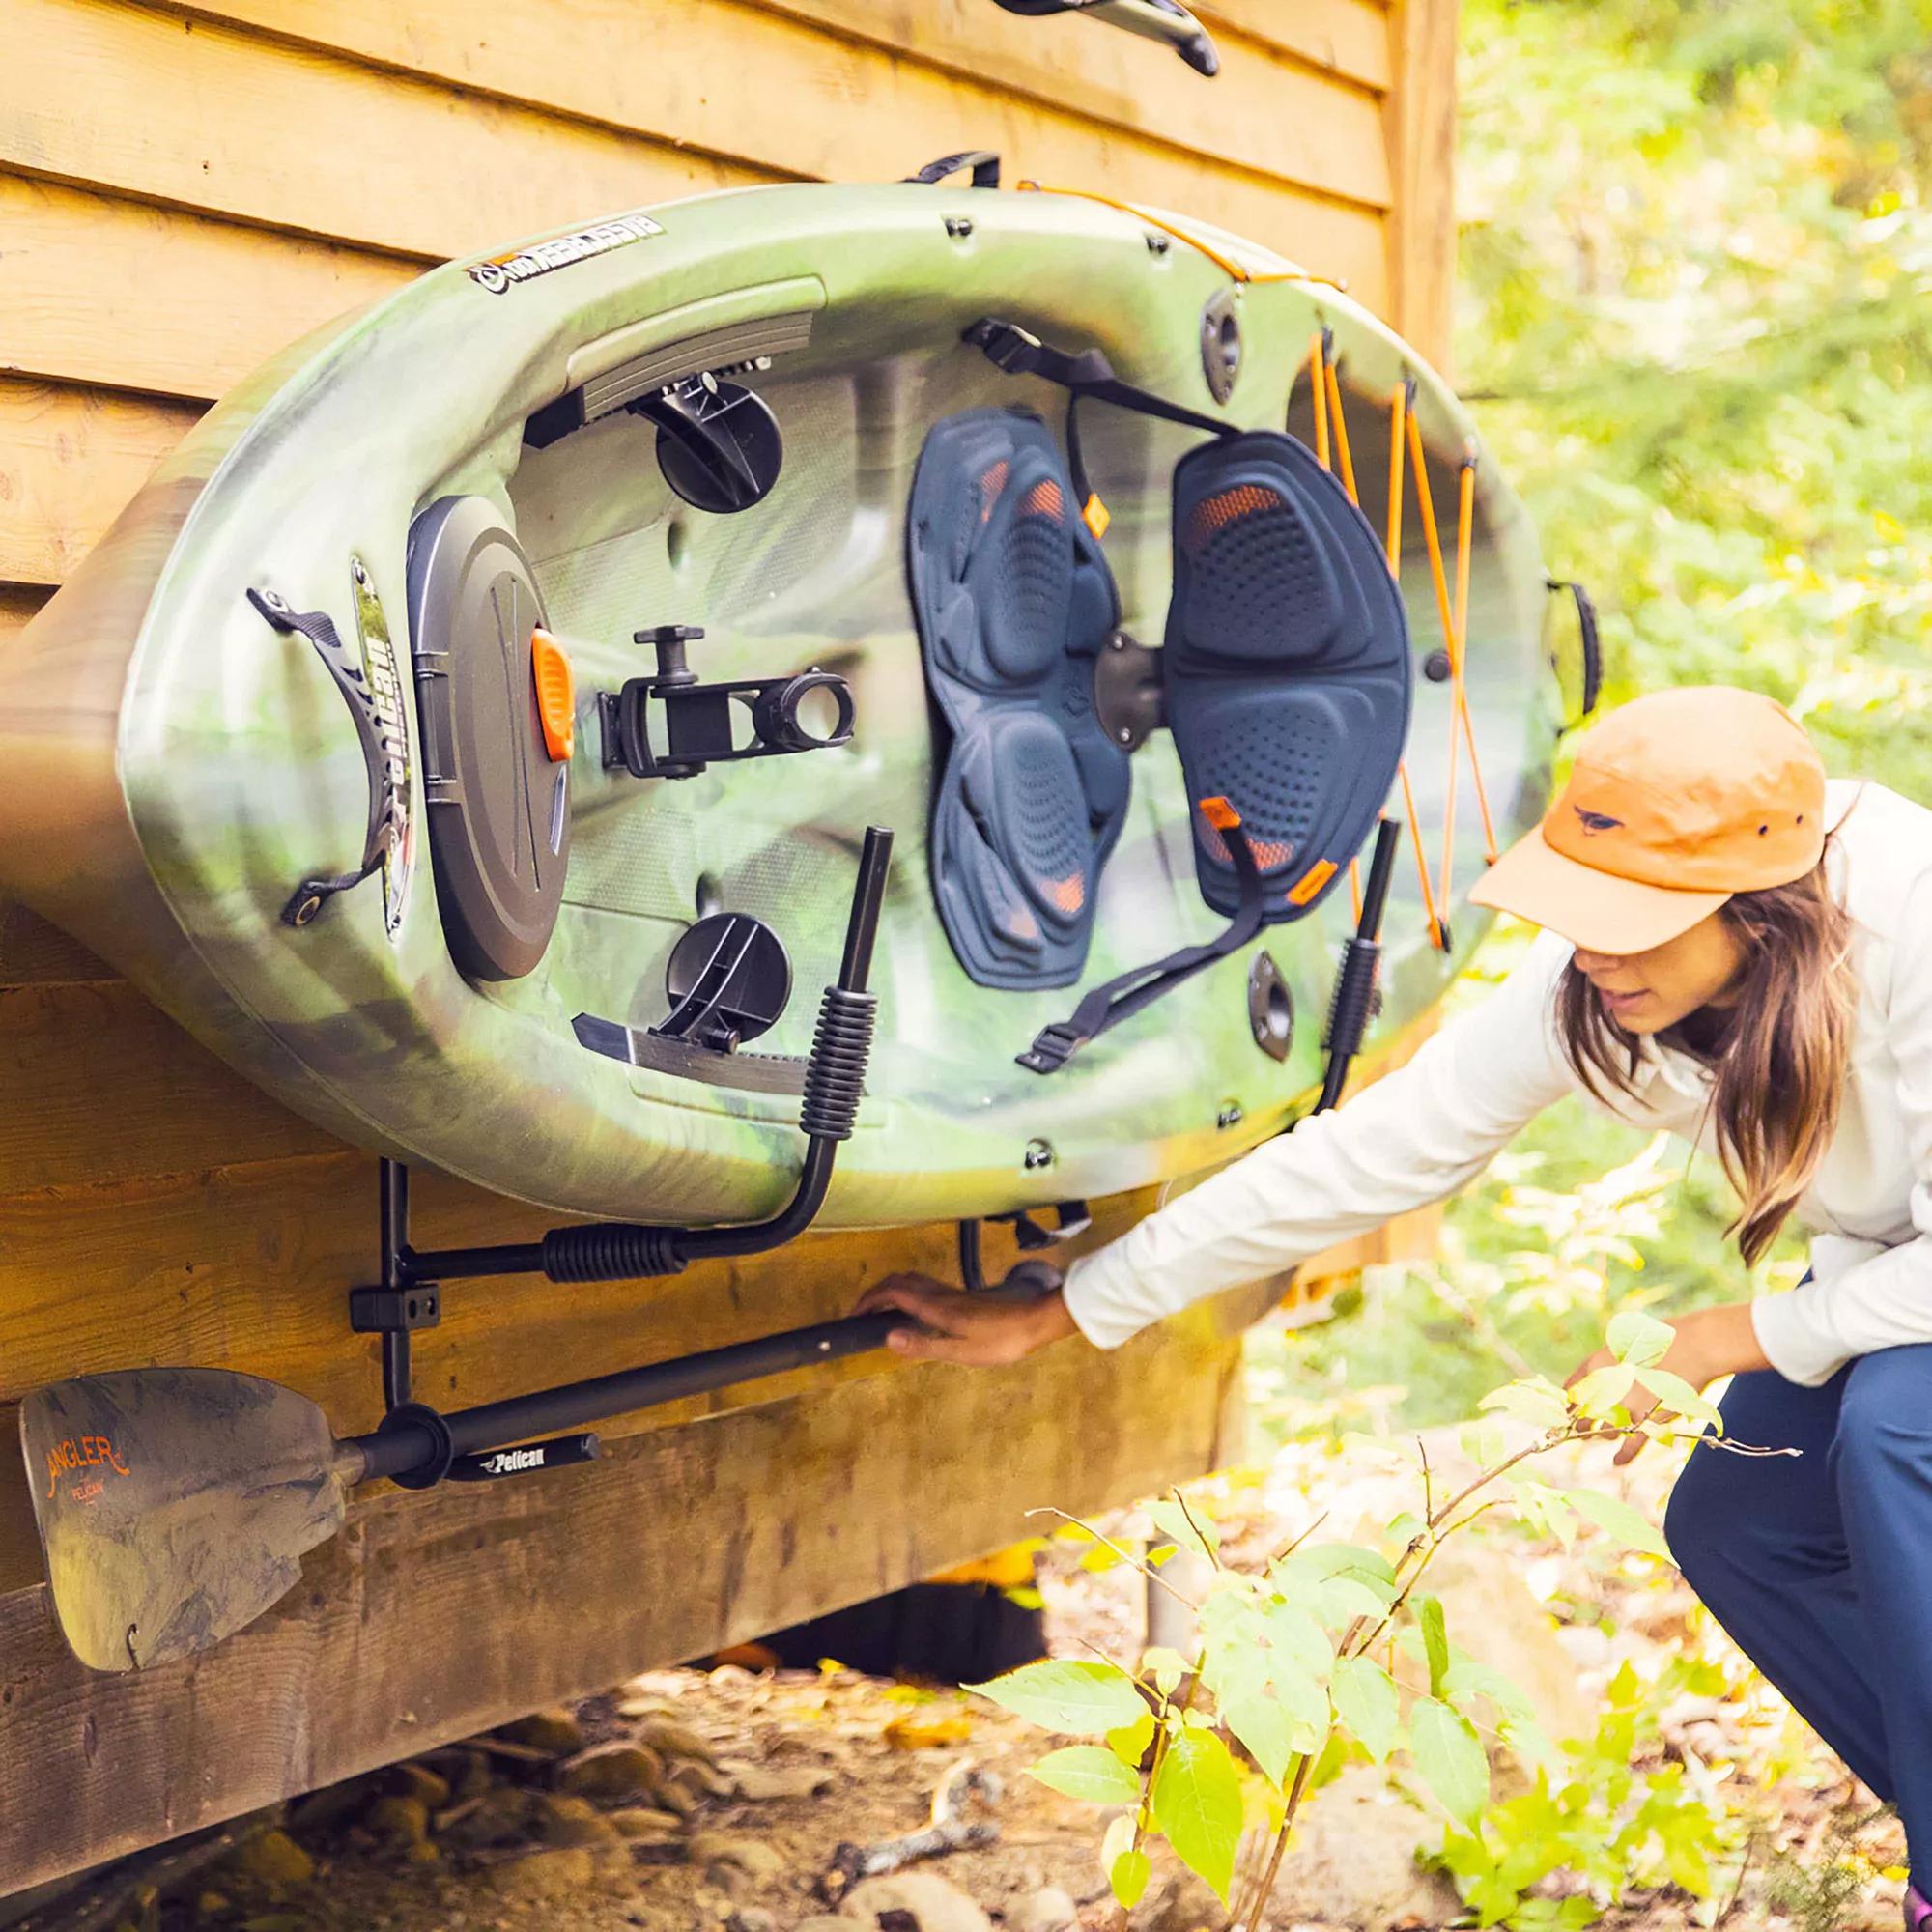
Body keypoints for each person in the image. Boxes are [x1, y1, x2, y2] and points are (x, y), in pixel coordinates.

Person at [856, 685, 1932, 1923]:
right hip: (1882, 1277)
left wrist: (1723, 1336)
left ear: (1759, 908)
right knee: (1739, 1519)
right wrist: (1069, 1306)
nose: (1593, 949)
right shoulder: (1594, 982)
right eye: (1581, 910)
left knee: (1897, 1425)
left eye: (1634, 923)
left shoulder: (1906, 920)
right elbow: (1369, 1152)